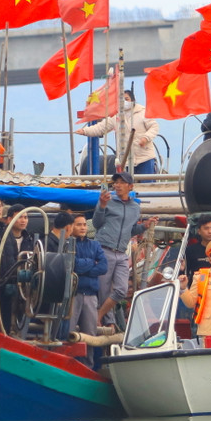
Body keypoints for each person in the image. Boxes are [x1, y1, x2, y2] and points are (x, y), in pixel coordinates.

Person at [94, 171, 142, 327]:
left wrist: (145, 227)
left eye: (122, 182)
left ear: (130, 186)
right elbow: (96, 223)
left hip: (121, 252)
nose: (117, 185)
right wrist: (101, 206)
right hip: (104, 248)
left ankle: (99, 316)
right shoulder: (107, 201)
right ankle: (108, 322)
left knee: (121, 289)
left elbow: (132, 229)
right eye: (116, 182)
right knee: (104, 290)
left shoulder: (135, 207)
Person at [75, 90, 160, 175]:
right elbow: (101, 127)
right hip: (125, 159)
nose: (124, 102)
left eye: (127, 99)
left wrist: (146, 138)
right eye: (121, 99)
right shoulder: (115, 115)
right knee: (127, 185)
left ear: (133, 100)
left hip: (145, 157)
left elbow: (154, 127)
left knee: (147, 183)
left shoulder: (143, 112)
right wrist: (85, 131)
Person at [63, 214, 108, 351]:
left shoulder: (95, 244)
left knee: (90, 336)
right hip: (73, 296)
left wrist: (82, 268)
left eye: (84, 224)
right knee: (68, 334)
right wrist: (91, 262)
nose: (83, 227)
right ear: (71, 227)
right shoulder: (67, 244)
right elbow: (72, 265)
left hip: (90, 295)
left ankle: (87, 366)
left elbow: (103, 267)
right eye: (79, 224)